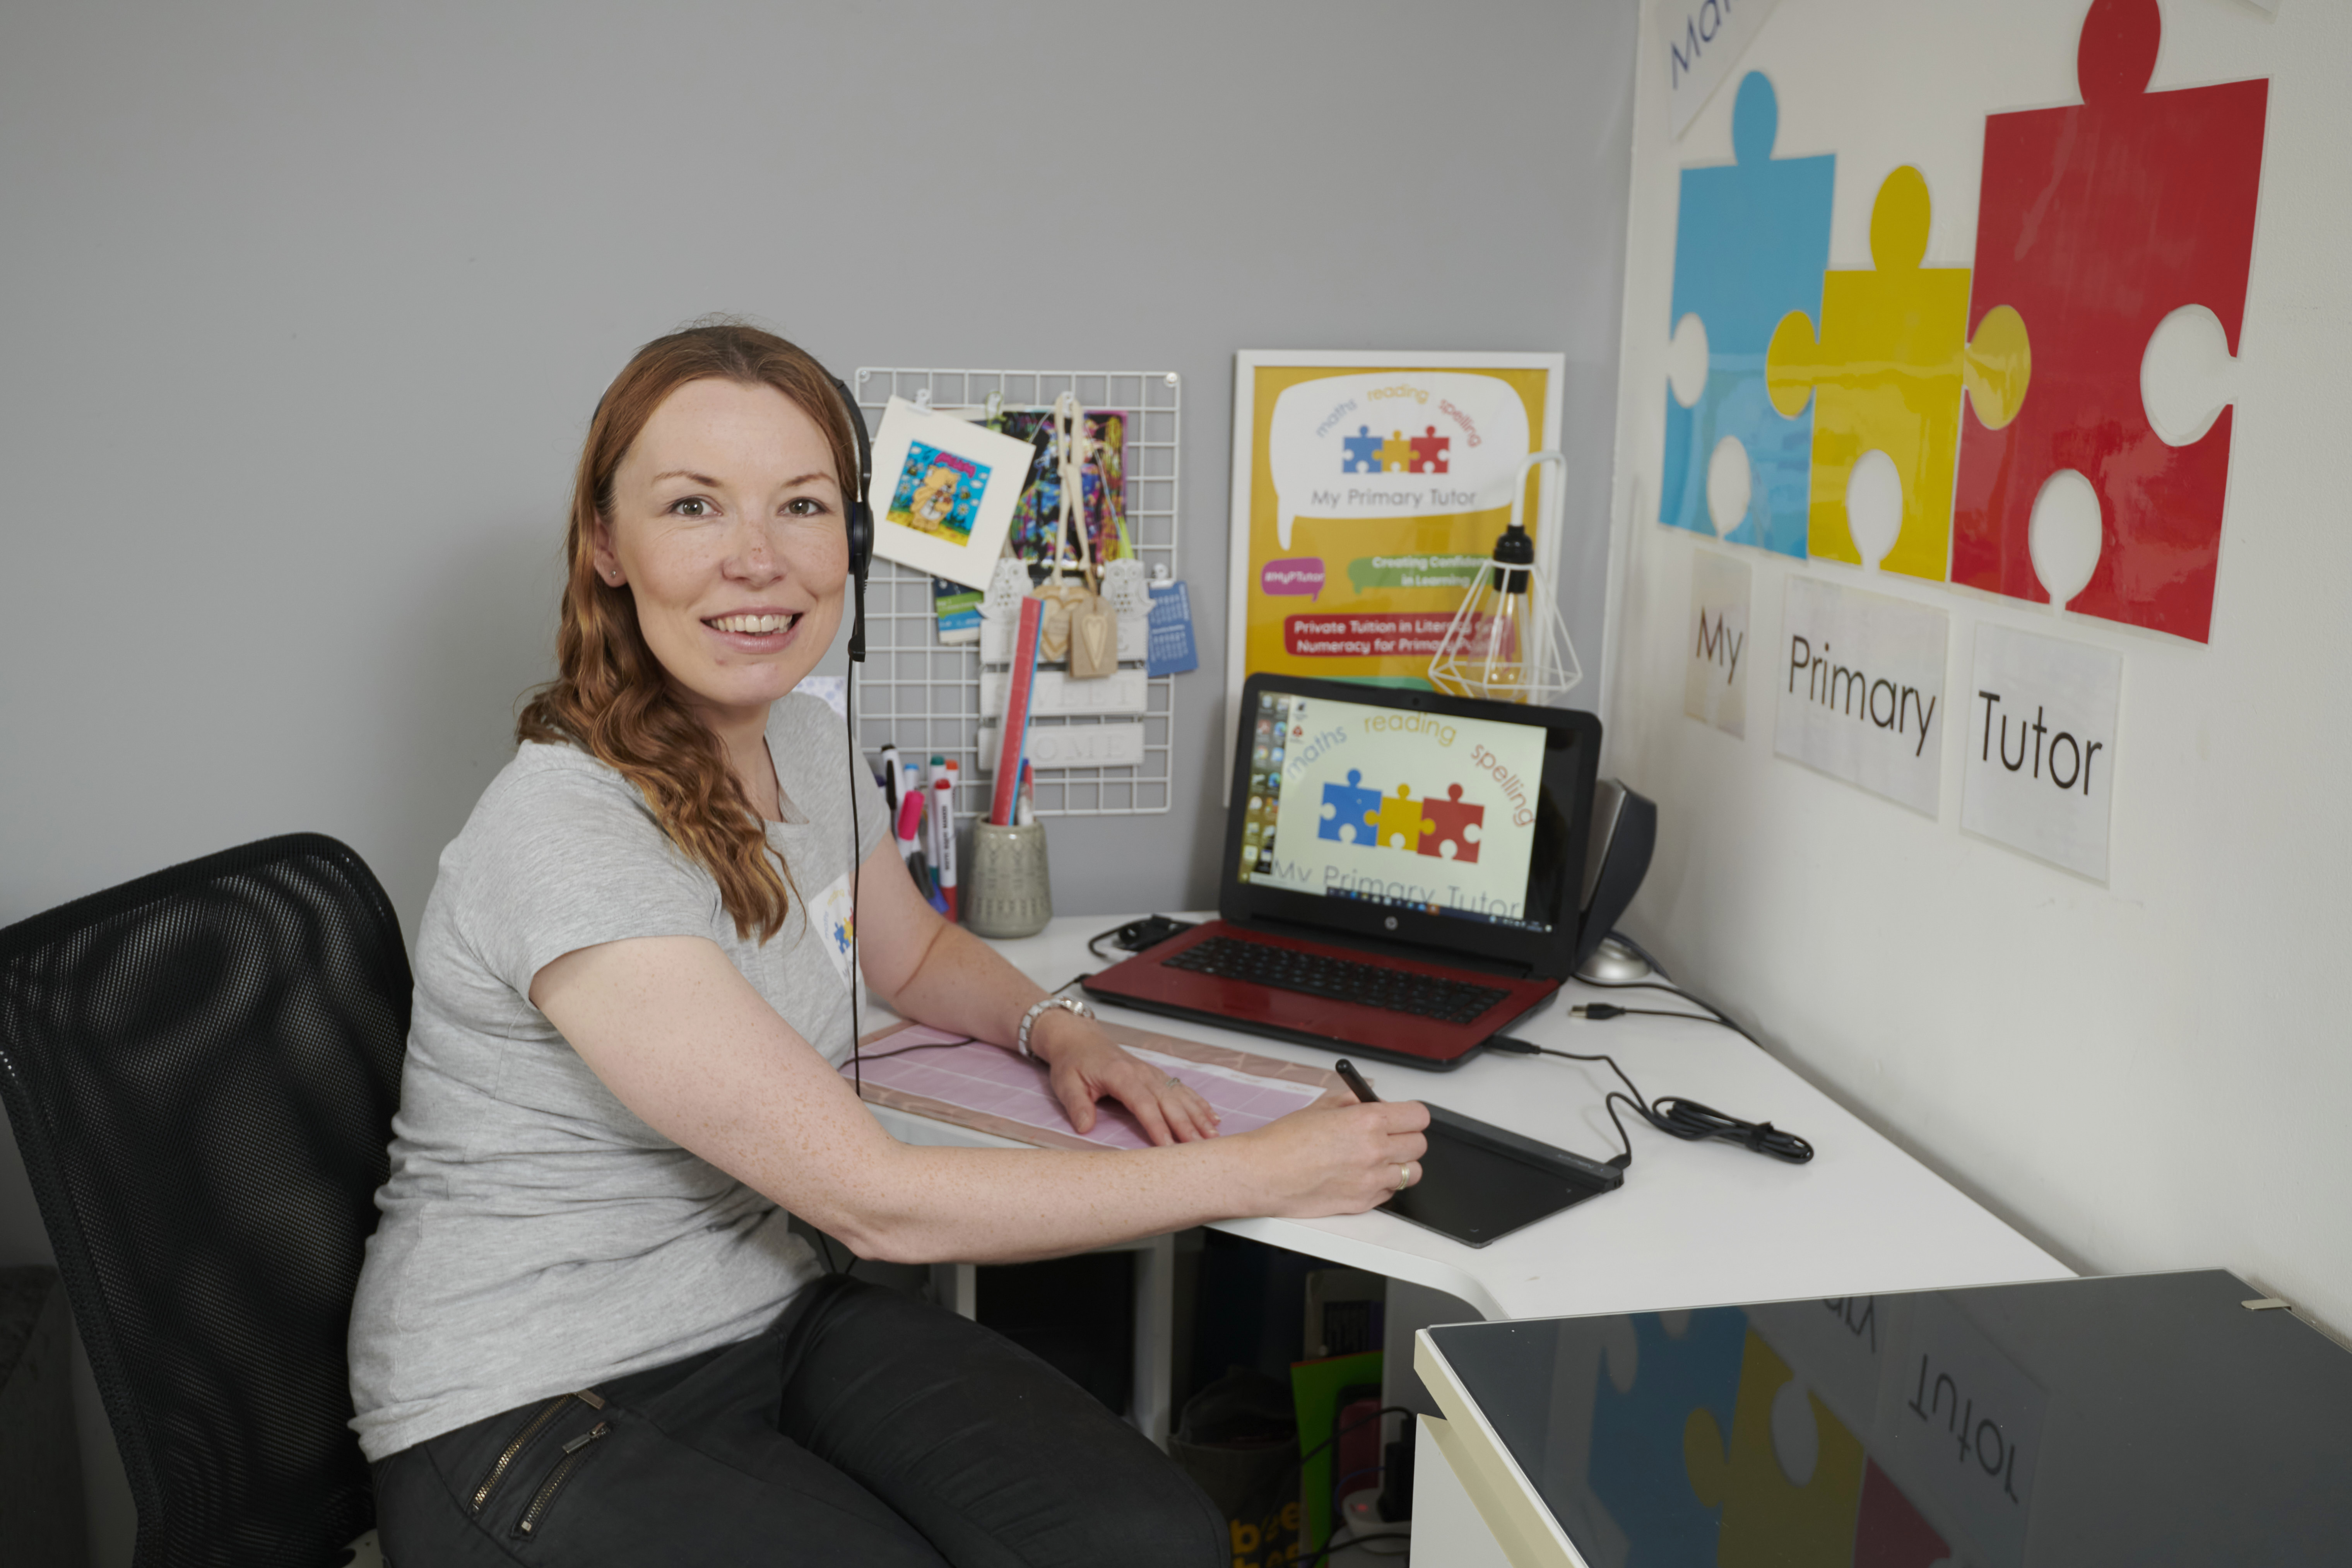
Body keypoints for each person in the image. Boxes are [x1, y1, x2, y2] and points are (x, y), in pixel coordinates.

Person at [349, 321, 1430, 1566]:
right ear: (607, 545)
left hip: (764, 1304)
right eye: (694, 507)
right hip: (529, 1397)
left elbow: (907, 957)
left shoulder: (800, 742)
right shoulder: (564, 830)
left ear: (850, 541)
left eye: (801, 507)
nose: (758, 561)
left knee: (1153, 1538)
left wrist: (1059, 1027)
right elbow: (878, 1202)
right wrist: (1259, 1176)